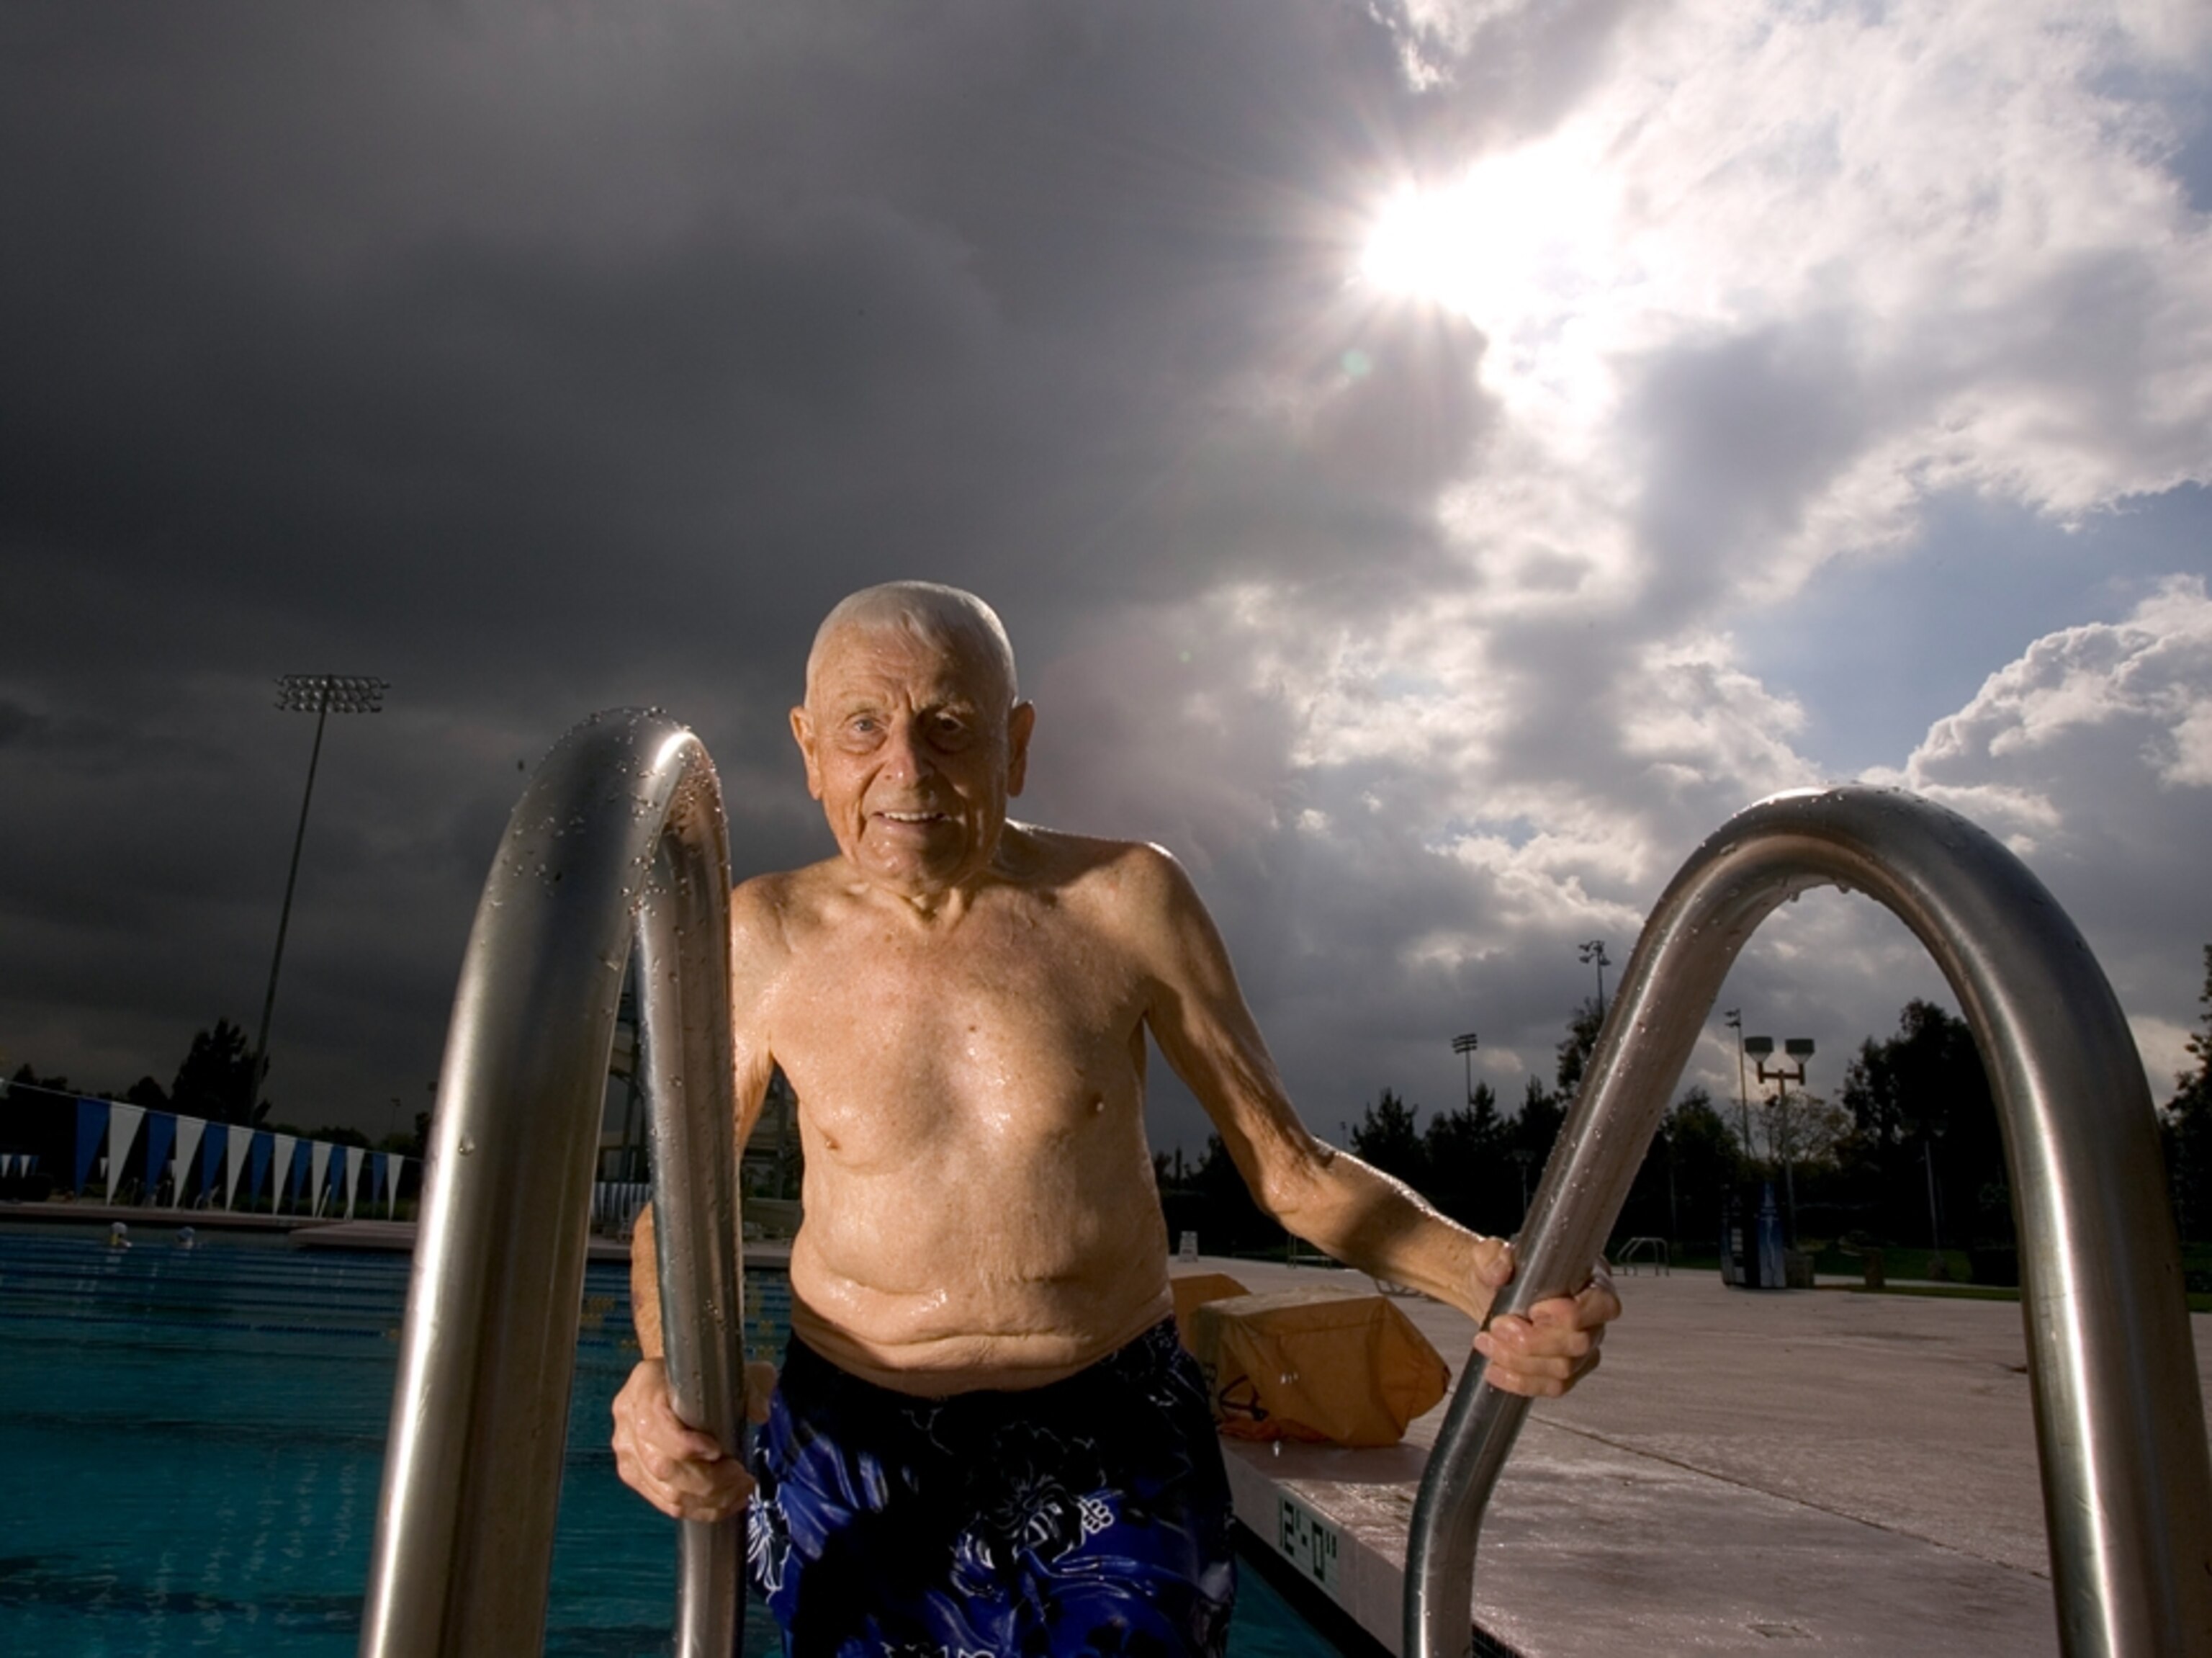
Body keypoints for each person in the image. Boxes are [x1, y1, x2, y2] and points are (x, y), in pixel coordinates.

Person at [613, 581, 1621, 1657]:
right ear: (810, 748)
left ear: (1017, 744)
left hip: (1111, 1423)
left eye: (949, 725)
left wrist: (1493, 1283)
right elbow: (682, 1211)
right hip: (857, 1428)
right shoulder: (759, 936)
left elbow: (1289, 1171)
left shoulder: (1126, 900)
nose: (904, 766)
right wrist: (670, 1370)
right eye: (864, 725)